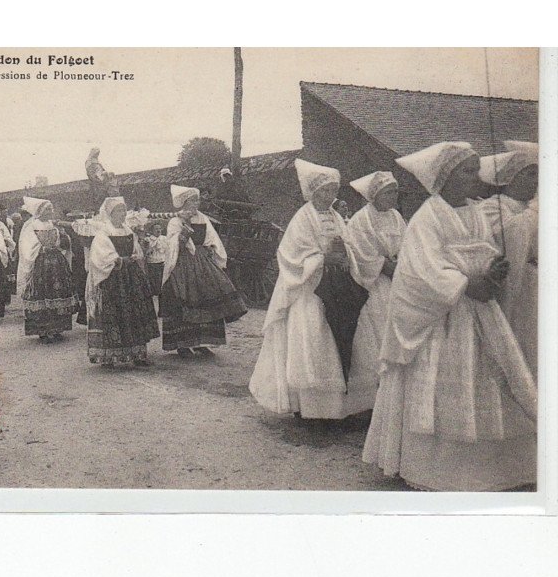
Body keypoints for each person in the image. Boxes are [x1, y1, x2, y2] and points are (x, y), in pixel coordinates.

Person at [362, 142, 537, 491]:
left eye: (476, 170)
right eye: (468, 171)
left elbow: (486, 250)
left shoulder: (475, 212)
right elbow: (418, 271)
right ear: (445, 177)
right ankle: (436, 468)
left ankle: (490, 465)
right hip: (445, 315)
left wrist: (492, 269)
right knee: (444, 383)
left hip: (480, 311)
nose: (477, 177)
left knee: (489, 377)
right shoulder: (428, 216)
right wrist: (464, 283)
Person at [248, 160, 375, 420]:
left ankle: (342, 405)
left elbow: (350, 245)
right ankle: (311, 406)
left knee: (347, 331)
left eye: (333, 191)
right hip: (312, 288)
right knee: (315, 338)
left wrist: (345, 254)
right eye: (324, 191)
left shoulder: (337, 217)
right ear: (312, 192)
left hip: (337, 284)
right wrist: (322, 259)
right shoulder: (302, 218)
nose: (330, 197)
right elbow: (291, 254)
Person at [159, 186, 247, 358]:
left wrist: (211, 249)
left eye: (197, 200)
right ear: (184, 202)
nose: (196, 204)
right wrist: (183, 234)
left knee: (208, 296)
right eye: (193, 200)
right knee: (183, 298)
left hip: (202, 263)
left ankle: (202, 342)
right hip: (182, 264)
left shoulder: (203, 218)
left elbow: (212, 238)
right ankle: (182, 344)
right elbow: (171, 244)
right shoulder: (175, 221)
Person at [480, 142, 539, 378]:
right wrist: (532, 216)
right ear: (511, 177)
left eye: (538, 175)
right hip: (511, 288)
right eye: (529, 174)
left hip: (533, 284)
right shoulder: (492, 208)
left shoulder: (530, 209)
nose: (536, 181)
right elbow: (506, 238)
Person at [345, 171, 407, 394]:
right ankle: (372, 391)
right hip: (374, 283)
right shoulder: (362, 219)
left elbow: (407, 243)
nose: (393, 197)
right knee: (377, 328)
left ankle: (396, 385)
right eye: (388, 192)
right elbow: (359, 251)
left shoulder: (396, 218)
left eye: (395, 192)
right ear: (376, 195)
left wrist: (401, 261)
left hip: (396, 278)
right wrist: (384, 266)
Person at [85, 196, 159, 366]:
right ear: (110, 213)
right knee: (114, 313)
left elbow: (137, 250)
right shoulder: (103, 234)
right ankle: (109, 355)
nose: (122, 214)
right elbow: (100, 257)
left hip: (131, 278)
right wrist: (119, 261)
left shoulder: (128, 231)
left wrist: (136, 256)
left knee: (135, 312)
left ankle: (138, 353)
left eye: (124, 210)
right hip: (113, 279)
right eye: (118, 210)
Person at [16, 197, 78, 342]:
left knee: (58, 292)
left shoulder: (52, 224)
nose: (51, 212)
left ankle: (58, 327)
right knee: (43, 294)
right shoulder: (31, 225)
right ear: (40, 211)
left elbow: (60, 242)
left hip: (56, 262)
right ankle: (43, 329)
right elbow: (27, 246)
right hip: (41, 263)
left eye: (51, 209)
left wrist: (61, 238)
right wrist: (41, 248)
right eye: (48, 209)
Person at [143, 223, 168, 296]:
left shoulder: (164, 238)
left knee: (162, 279)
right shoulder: (148, 239)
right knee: (154, 280)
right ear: (152, 231)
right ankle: (155, 294)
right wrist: (150, 248)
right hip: (152, 263)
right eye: (156, 229)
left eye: (159, 228)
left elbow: (167, 249)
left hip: (163, 261)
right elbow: (146, 251)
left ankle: (162, 293)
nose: (158, 230)